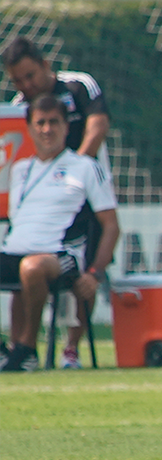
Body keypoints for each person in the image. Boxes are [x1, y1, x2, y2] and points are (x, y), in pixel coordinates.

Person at [1, 36, 117, 368]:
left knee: (86, 274)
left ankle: (72, 346)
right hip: (49, 198)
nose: (26, 85)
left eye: (30, 76)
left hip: (85, 196)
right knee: (22, 258)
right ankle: (17, 347)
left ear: (45, 66)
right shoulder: (20, 102)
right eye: (18, 80)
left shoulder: (79, 86)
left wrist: (68, 175)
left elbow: (98, 126)